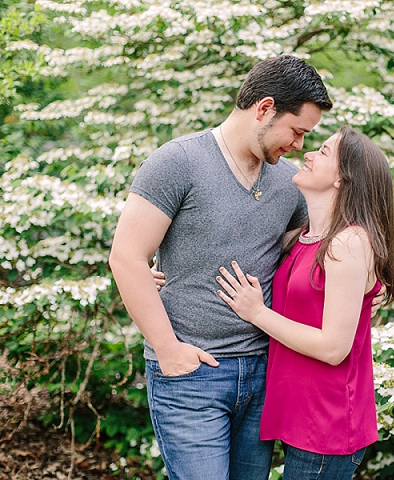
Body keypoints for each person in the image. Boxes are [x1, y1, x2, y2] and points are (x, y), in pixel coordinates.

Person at [108, 55, 334, 480]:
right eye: (297, 131)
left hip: (264, 373)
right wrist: (169, 351)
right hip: (192, 374)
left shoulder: (289, 183)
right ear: (264, 109)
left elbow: (319, 249)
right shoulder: (177, 162)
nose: (300, 145)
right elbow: (126, 257)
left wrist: (366, 287)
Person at [215, 126, 394, 480]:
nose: (309, 155)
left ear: (343, 180)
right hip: (299, 414)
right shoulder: (306, 238)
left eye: (325, 152)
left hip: (326, 425)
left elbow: (333, 348)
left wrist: (257, 313)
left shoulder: (349, 244)